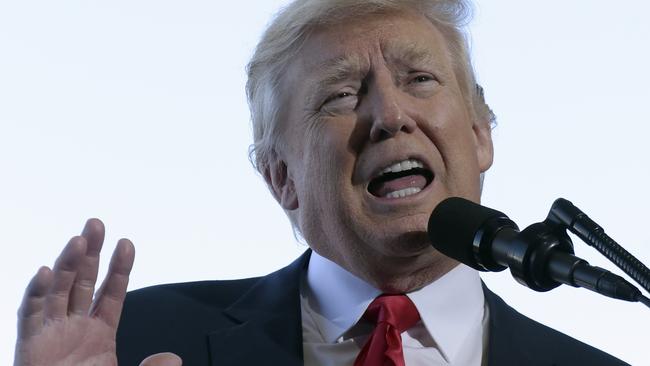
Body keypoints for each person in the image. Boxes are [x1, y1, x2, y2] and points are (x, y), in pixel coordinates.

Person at [13, 1, 630, 365]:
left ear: (480, 135)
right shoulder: (137, 340)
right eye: (341, 95)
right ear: (282, 178)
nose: (389, 117)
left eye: (419, 79)